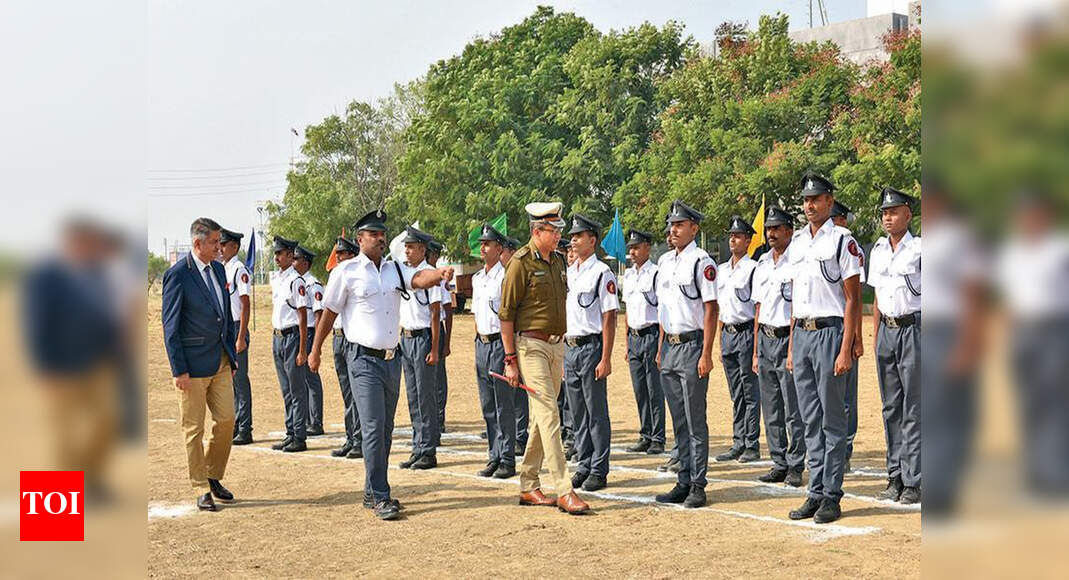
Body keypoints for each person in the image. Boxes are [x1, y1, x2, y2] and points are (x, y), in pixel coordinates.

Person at [307, 209, 454, 521]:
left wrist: (438, 275)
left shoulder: (394, 269)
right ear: (360, 239)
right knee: (373, 427)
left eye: (382, 234)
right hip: (362, 360)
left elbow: (418, 278)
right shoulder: (345, 272)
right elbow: (329, 312)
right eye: (373, 234)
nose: (380, 238)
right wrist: (315, 349)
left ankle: (370, 490)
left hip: (391, 359)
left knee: (385, 430)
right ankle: (381, 496)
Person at [500, 201, 591, 515]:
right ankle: (564, 490)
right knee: (551, 415)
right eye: (553, 231)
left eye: (559, 231)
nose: (558, 237)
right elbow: (507, 315)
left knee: (541, 417)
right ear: (537, 231)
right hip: (531, 347)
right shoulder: (520, 263)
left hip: (555, 347)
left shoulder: (556, 262)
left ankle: (528, 484)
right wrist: (510, 359)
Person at [786, 173, 863, 524]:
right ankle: (814, 491)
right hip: (801, 334)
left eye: (816, 199)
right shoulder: (798, 242)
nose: (809, 205)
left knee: (833, 420)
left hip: (830, 334)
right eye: (805, 200)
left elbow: (852, 298)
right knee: (808, 420)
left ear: (830, 202)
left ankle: (831, 494)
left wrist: (846, 348)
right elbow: (795, 299)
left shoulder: (842, 240)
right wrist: (791, 345)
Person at [160, 217, 238, 512]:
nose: (220, 248)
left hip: (219, 361)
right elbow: (170, 326)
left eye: (220, 242)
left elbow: (225, 314)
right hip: (191, 367)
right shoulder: (178, 274)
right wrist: (179, 369)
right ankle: (201, 487)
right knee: (193, 428)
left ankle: (213, 474)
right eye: (215, 242)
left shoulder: (218, 270)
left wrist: (230, 356)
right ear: (197, 243)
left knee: (227, 420)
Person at [654, 200, 719, 509]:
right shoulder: (665, 261)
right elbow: (663, 309)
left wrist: (706, 353)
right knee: (678, 419)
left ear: (694, 228)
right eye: (672, 225)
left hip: (693, 346)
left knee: (695, 420)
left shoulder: (701, 261)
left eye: (680, 224)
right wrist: (660, 348)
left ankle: (698, 484)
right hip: (669, 347)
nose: (674, 229)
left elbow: (711, 309)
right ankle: (682, 479)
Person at [869, 187, 923, 504]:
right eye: (884, 212)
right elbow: (876, 298)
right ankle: (895, 475)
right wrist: (876, 337)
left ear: (908, 214)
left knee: (913, 408)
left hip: (913, 330)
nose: (887, 217)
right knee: (891, 408)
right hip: (887, 333)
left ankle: (914, 479)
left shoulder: (920, 249)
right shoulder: (878, 250)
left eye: (894, 211)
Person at [563, 214, 618, 492]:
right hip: (570, 347)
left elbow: (609, 317)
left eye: (579, 235)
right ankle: (583, 463)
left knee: (596, 411)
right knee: (577, 412)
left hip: (591, 346)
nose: (573, 239)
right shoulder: (571, 272)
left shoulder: (601, 273)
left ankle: (599, 468)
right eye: (572, 235)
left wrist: (605, 357)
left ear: (592, 240)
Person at [751, 207, 806, 486]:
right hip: (766, 340)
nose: (770, 233)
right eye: (768, 229)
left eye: (776, 228)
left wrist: (792, 350)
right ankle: (779, 461)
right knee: (770, 408)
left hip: (788, 337)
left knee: (792, 408)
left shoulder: (796, 262)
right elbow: (759, 308)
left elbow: (797, 308)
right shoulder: (761, 263)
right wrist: (755, 350)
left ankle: (796, 464)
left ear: (789, 231)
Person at [714, 216, 762, 464]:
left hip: (745, 333)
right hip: (728, 334)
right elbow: (721, 308)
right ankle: (738, 440)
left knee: (750, 392)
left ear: (748, 240)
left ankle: (751, 443)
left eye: (738, 236)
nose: (733, 239)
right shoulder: (722, 270)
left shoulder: (753, 269)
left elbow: (757, 310)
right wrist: (720, 342)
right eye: (731, 235)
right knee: (736, 393)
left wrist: (755, 349)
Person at [471, 223, 516, 479]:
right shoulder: (478, 279)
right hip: (482, 343)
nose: (482, 247)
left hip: (500, 344)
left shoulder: (505, 277)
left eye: (487, 243)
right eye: (481, 243)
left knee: (503, 405)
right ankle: (494, 455)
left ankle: (507, 459)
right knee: (488, 405)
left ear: (499, 248)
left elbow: (511, 316)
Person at [396, 226, 443, 470]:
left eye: (411, 247)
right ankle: (418, 447)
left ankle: (428, 450)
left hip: (423, 338)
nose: (407, 251)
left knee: (425, 396)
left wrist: (435, 348)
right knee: (413, 396)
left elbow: (436, 314)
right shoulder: (406, 273)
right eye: (406, 247)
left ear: (422, 250)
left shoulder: (430, 274)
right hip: (406, 338)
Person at [620, 229, 665, 455]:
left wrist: (660, 347)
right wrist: (627, 342)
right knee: (640, 390)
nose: (632, 251)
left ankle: (657, 437)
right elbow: (628, 310)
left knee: (654, 389)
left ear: (647, 247)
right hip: (634, 337)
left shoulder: (656, 274)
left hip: (652, 335)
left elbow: (662, 311)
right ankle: (645, 434)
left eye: (636, 247)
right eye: (631, 248)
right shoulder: (629, 276)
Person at [830, 200, 865, 472]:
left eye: (836, 219)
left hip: (846, 330)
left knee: (846, 398)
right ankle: (833, 450)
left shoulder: (850, 248)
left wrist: (856, 338)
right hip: (831, 328)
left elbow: (855, 296)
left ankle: (846, 449)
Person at [269, 236, 311, 453]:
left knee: (296, 389)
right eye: (275, 253)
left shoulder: (297, 281)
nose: (276, 257)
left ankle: (299, 435)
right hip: (277, 336)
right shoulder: (277, 279)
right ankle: (290, 432)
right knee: (286, 389)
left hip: (292, 337)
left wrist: (303, 349)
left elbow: (302, 316)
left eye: (280, 253)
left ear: (289, 255)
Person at [327, 237, 363, 459]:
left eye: (342, 254)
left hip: (350, 337)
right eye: (337, 254)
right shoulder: (336, 275)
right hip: (337, 337)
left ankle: (359, 439)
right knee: (346, 392)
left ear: (352, 255)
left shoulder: (355, 275)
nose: (338, 258)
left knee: (357, 392)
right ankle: (351, 437)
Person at [219, 228, 254, 445]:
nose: (220, 249)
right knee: (228, 382)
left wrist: (241, 337)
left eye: (224, 245)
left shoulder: (239, 269)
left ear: (235, 246)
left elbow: (245, 304)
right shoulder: (223, 268)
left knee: (240, 381)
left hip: (236, 327)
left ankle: (245, 428)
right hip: (225, 328)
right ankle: (234, 425)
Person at [294, 245, 326, 436]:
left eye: (296, 259)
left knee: (311, 378)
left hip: (311, 333)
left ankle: (316, 421)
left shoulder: (312, 284)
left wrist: (316, 346)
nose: (293, 262)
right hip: (301, 333)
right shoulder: (296, 281)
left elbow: (319, 314)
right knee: (302, 378)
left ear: (305, 262)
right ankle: (305, 419)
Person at [502, 235, 528, 456]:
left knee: (519, 394)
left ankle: (521, 434)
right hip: (503, 338)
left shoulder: (517, 275)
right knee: (503, 397)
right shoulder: (484, 277)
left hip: (519, 340)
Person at [427, 239, 453, 438]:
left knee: (437, 379)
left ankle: (439, 418)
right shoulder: (423, 276)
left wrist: (447, 342)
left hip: (437, 330)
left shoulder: (439, 282)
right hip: (423, 330)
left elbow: (447, 311)